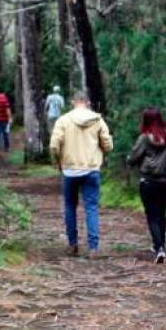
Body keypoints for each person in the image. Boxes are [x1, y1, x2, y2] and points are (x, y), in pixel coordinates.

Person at [50, 92, 113, 259]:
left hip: (70, 170)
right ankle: (93, 247)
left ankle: (73, 244)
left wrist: (59, 159)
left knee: (70, 206)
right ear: (88, 102)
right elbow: (108, 144)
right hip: (91, 169)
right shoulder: (97, 120)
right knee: (91, 207)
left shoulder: (63, 120)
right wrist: (102, 151)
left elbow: (54, 145)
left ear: (73, 102)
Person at [127, 107, 166, 264]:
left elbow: (133, 158)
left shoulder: (144, 138)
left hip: (148, 182)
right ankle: (160, 245)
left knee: (151, 216)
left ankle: (159, 248)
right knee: (161, 214)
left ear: (145, 120)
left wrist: (131, 160)